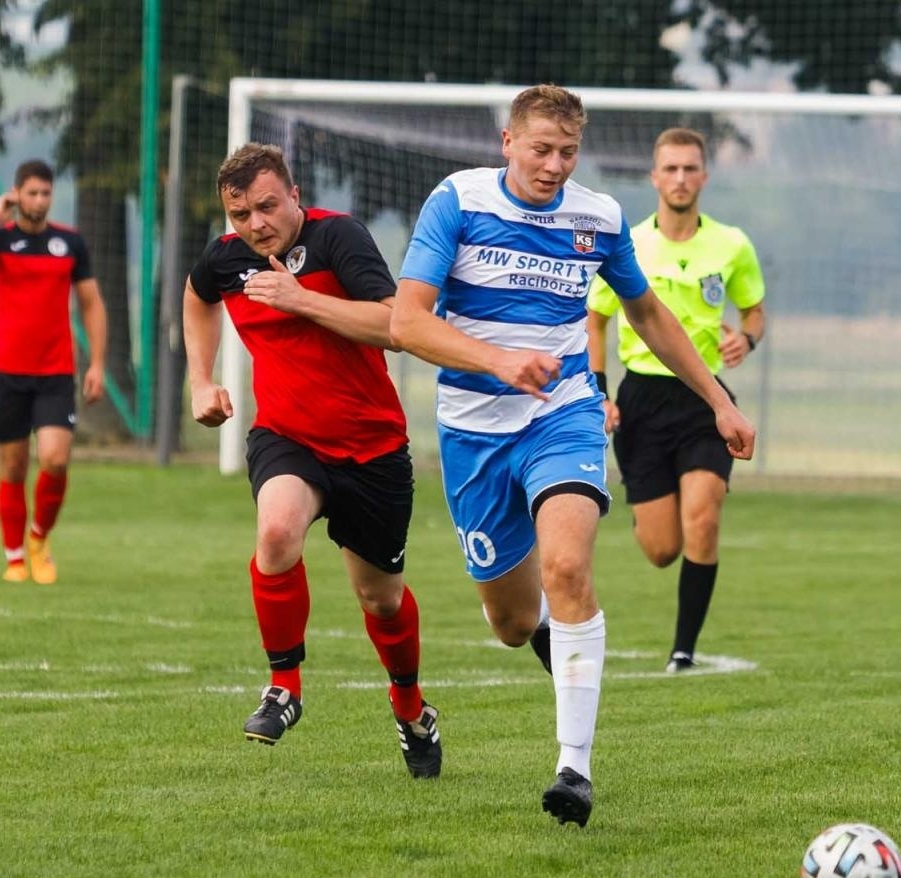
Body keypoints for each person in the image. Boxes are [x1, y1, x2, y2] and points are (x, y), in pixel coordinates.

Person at [389, 85, 757, 826]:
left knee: (566, 567)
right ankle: (564, 645)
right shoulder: (457, 202)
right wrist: (497, 361)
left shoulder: (598, 217)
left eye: (568, 152)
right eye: (541, 150)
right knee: (514, 622)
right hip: (473, 430)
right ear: (508, 142)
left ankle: (574, 771)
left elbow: (647, 312)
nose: (554, 166)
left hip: (565, 414)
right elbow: (406, 320)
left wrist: (720, 400)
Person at [183, 143, 439, 778]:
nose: (255, 225)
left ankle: (411, 711)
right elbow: (197, 298)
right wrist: (200, 379)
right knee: (276, 533)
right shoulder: (226, 257)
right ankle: (284, 686)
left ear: (294, 195)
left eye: (267, 207)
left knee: (379, 600)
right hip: (287, 438)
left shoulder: (338, 239)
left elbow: (393, 326)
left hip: (372, 449)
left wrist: (300, 300)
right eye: (241, 214)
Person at [586, 127, 766, 672]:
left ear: (704, 177)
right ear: (655, 177)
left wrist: (747, 336)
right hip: (641, 400)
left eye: (691, 168)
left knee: (703, 517)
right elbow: (595, 320)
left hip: (705, 398)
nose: (681, 178)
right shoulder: (630, 242)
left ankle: (683, 651)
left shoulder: (731, 244)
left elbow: (753, 310)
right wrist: (600, 392)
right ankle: (652, 512)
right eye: (671, 168)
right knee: (661, 549)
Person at [0, 159, 107, 584]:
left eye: (46, 193)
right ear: (17, 194)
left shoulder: (69, 244)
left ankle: (39, 538)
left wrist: (98, 363)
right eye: (31, 193)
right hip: (7, 372)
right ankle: (14, 558)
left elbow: (92, 303)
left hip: (55, 372)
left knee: (54, 458)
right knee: (13, 467)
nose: (39, 201)